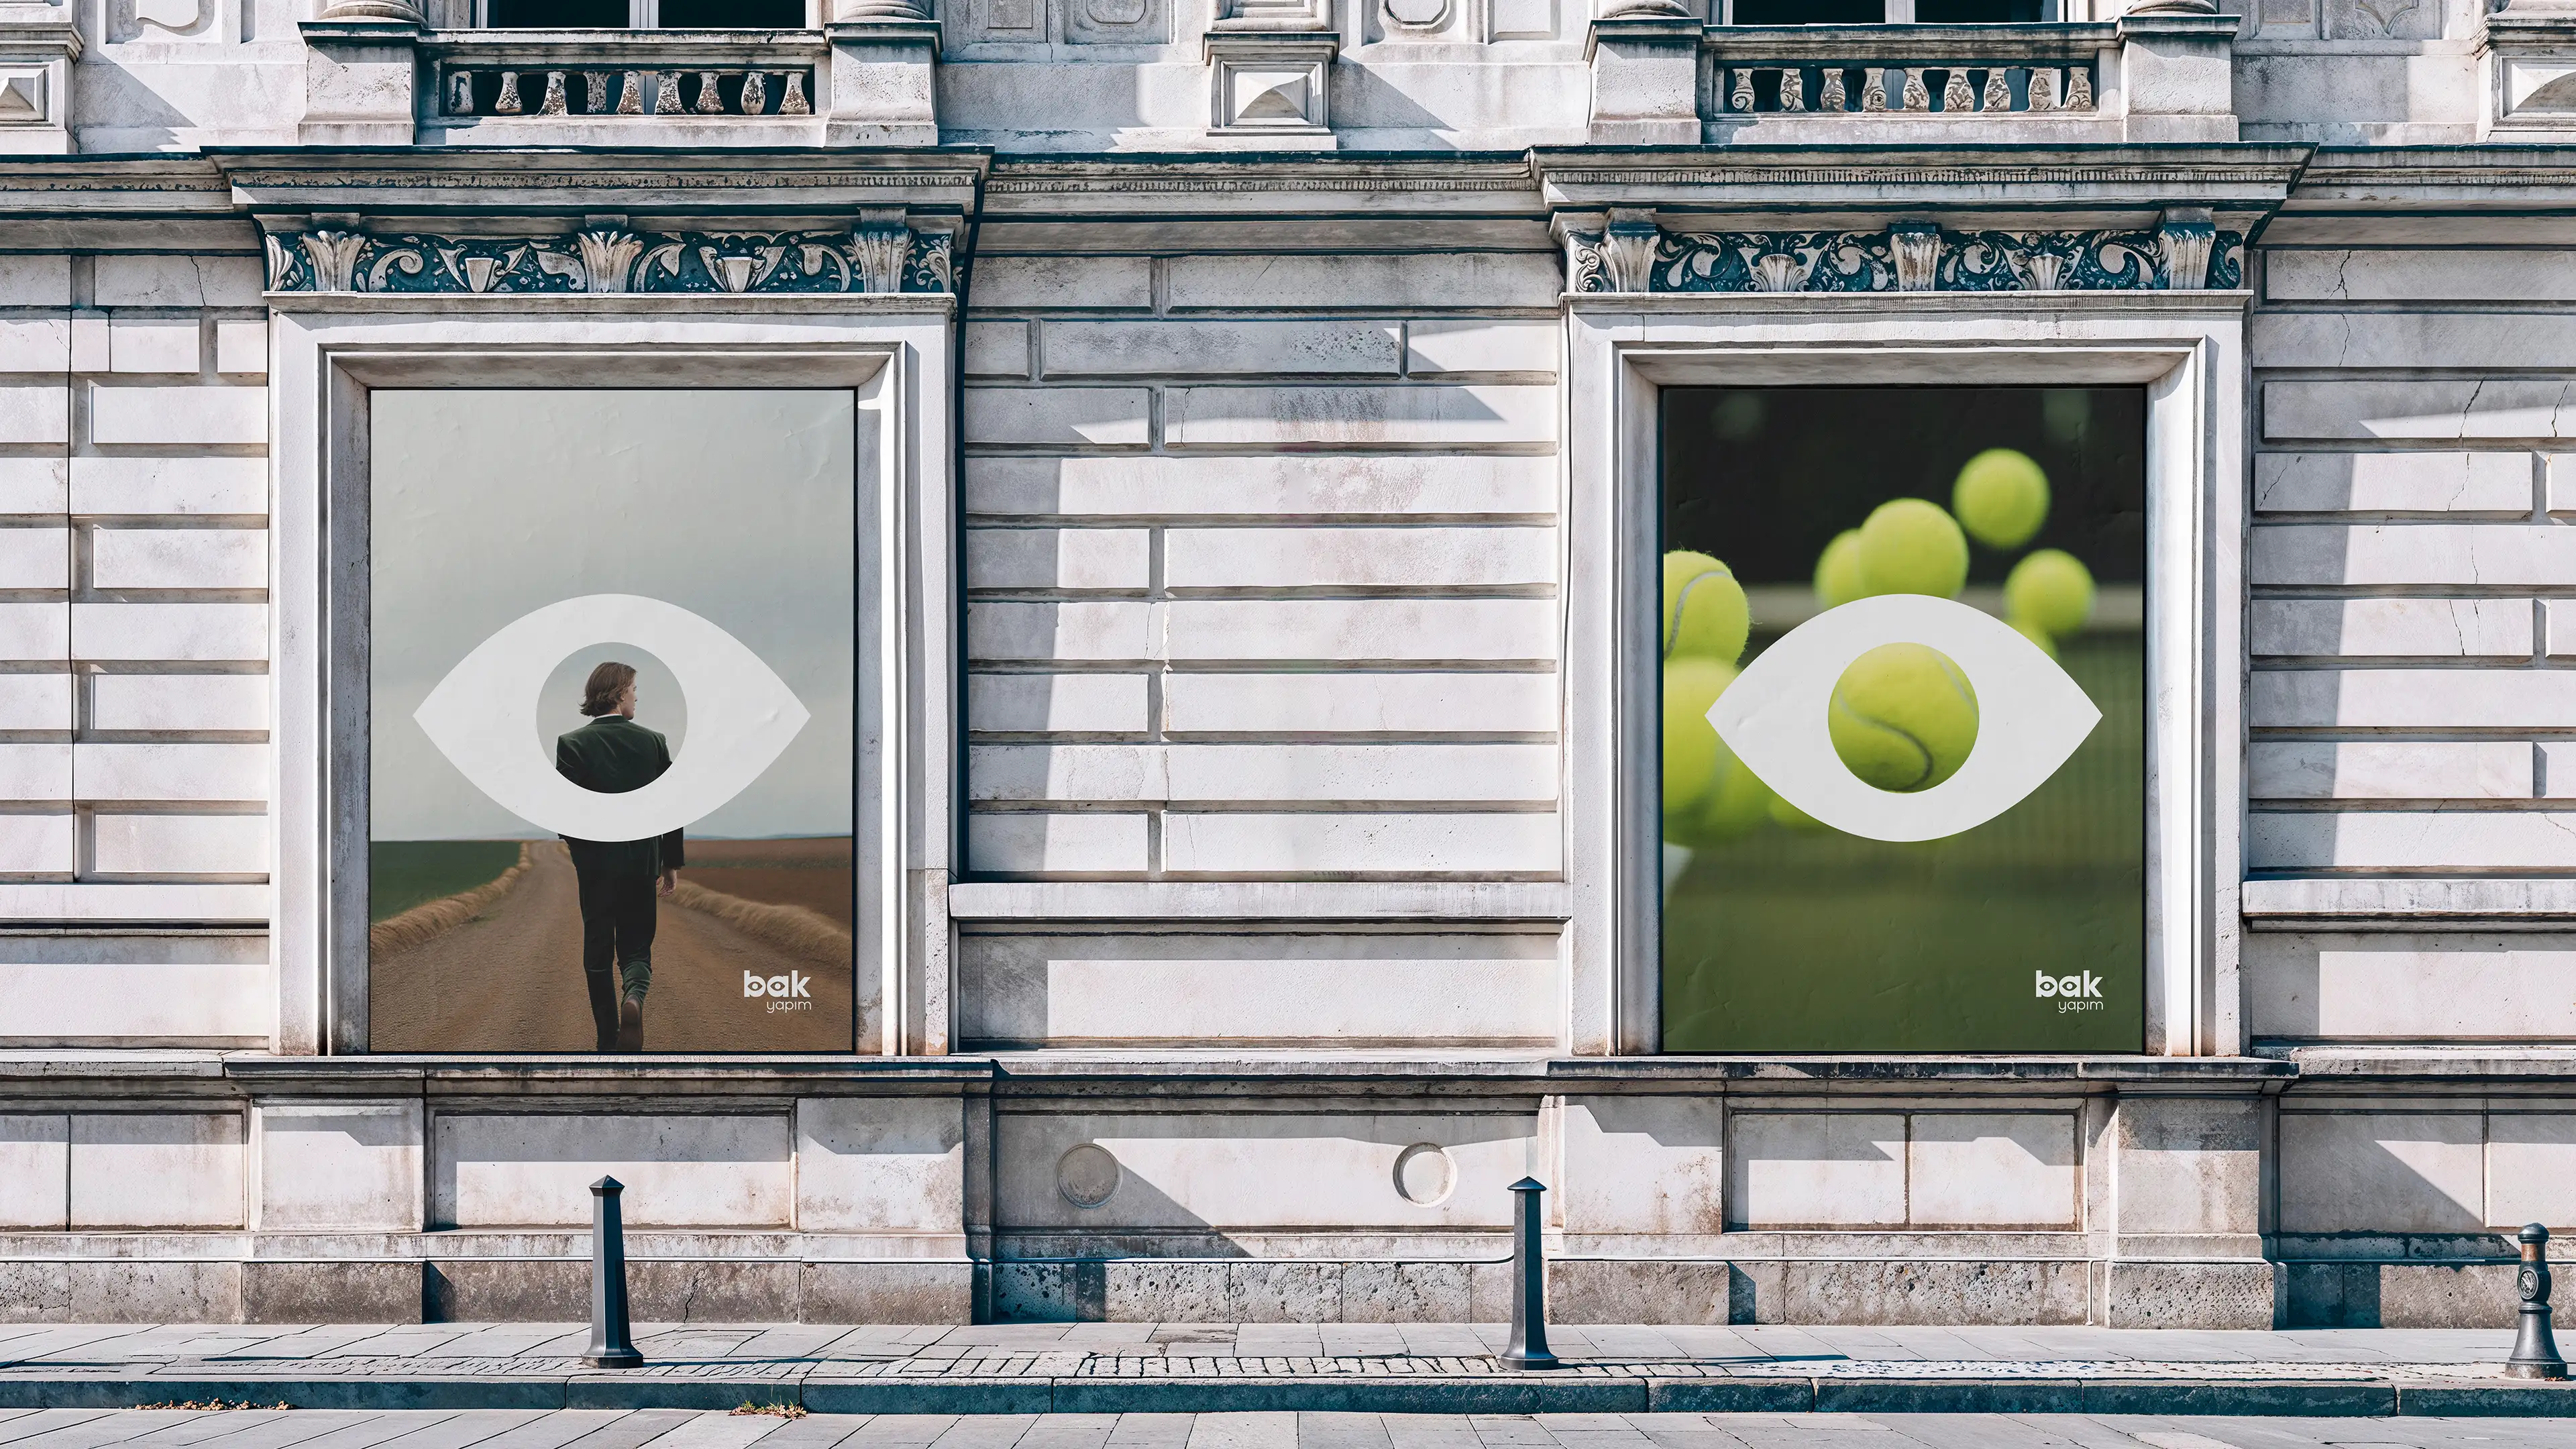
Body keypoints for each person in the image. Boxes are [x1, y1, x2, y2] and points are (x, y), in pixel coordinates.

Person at [555, 661, 682, 1052]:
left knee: (597, 952)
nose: (636, 697)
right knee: (636, 946)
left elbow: (562, 816)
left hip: (596, 869)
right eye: (633, 690)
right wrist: (669, 862)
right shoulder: (654, 742)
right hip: (641, 864)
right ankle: (634, 997)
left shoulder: (571, 744)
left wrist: (584, 853)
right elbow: (672, 807)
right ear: (618, 694)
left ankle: (607, 1038)